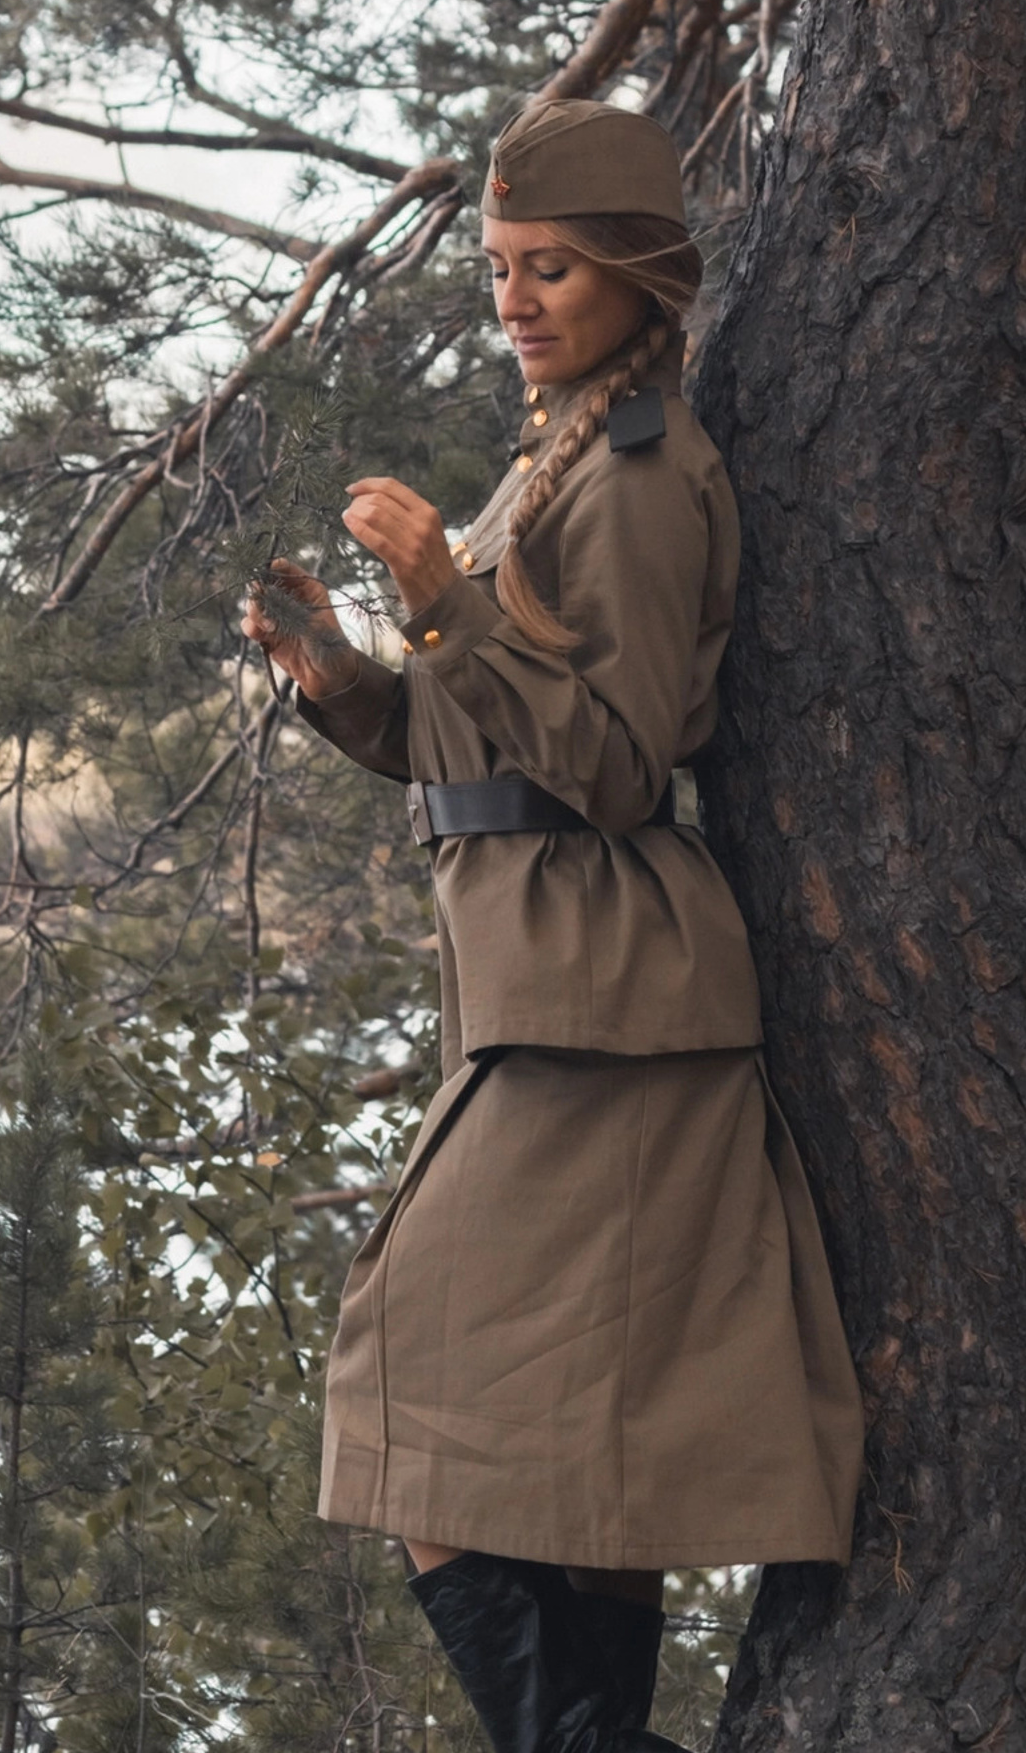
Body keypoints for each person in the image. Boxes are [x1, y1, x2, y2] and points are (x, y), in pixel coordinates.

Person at [242, 99, 864, 1751]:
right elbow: (483, 747)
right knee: (579, 1464)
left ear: (639, 280)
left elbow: (613, 761)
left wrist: (446, 599)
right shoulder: (561, 454)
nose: (518, 299)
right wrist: (350, 685)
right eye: (505, 269)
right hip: (539, 992)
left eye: (557, 271)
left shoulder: (646, 481)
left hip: (607, 997)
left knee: (405, 1394)